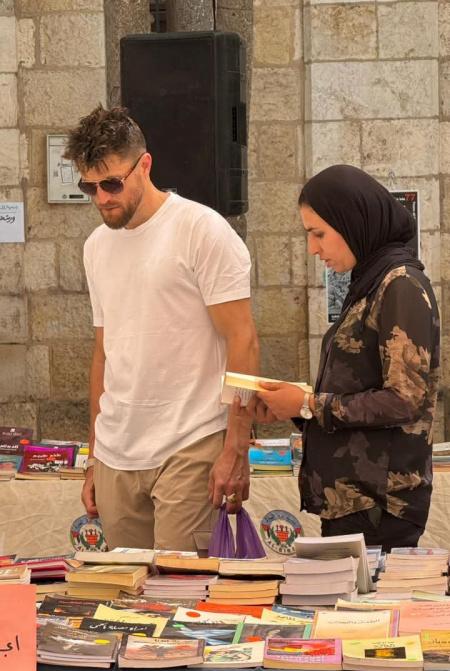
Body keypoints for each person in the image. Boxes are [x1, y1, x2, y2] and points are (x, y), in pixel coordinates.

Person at [64, 105, 259, 552]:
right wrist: (94, 457)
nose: (101, 198)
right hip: (117, 451)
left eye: (112, 183)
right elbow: (104, 353)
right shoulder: (96, 247)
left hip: (191, 442)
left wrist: (236, 446)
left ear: (145, 165)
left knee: (180, 588)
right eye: (89, 187)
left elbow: (243, 340)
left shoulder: (201, 230)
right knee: (126, 590)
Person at [254, 164, 440, 552]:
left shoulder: (400, 284)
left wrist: (309, 403)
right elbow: (358, 386)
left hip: (380, 503)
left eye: (319, 233)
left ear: (352, 222)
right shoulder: (371, 282)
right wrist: (294, 406)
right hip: (354, 501)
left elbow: (404, 399)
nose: (313, 248)